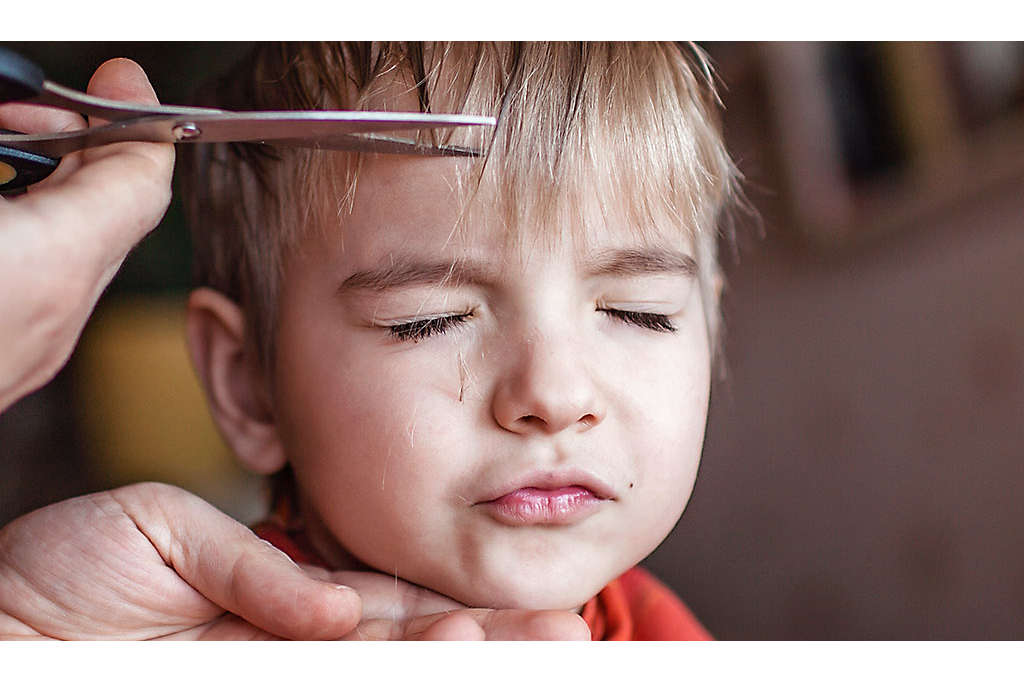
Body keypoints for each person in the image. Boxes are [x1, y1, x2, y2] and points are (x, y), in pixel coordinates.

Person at [1, 41, 738, 639]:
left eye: (641, 312)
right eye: (427, 319)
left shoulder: (657, 634)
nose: (553, 395)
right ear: (248, 382)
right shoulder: (163, 641)